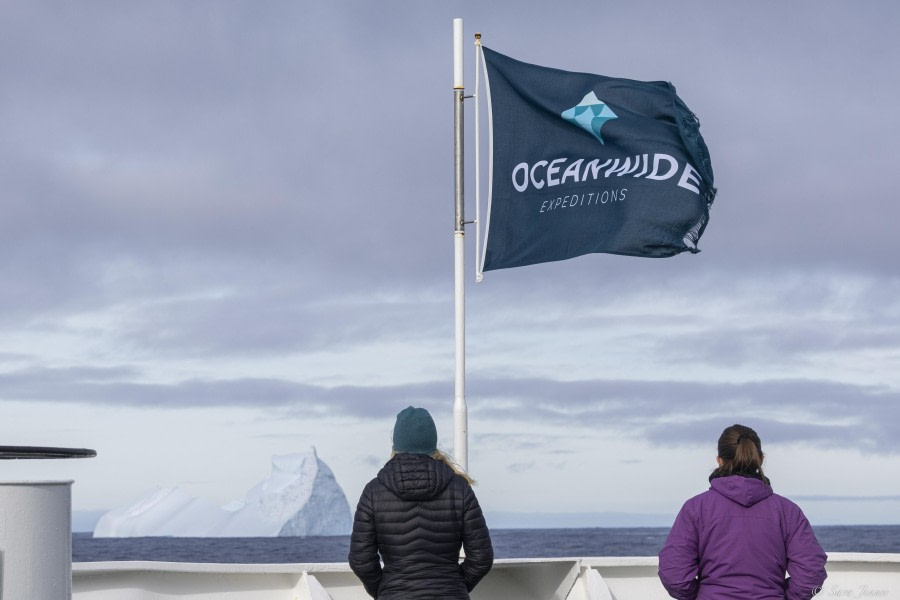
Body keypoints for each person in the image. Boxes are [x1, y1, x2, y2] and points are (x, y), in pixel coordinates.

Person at [658, 424, 827, 600]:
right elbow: (811, 573)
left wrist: (703, 594)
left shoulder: (695, 508)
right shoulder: (787, 510)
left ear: (719, 460)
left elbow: (674, 575)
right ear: (760, 459)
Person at [349, 406, 494, 599]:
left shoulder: (373, 491)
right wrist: (454, 586)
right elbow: (481, 557)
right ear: (433, 443)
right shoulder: (460, 488)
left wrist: (386, 590)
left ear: (396, 444)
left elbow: (361, 559)